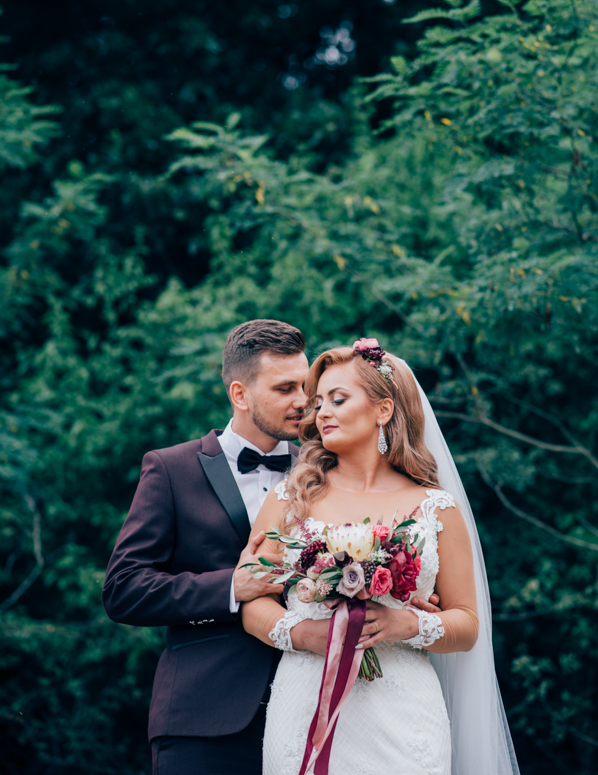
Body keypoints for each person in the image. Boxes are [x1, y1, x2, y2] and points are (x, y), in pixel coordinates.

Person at [242, 341, 520, 775]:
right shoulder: (290, 498)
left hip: (404, 713)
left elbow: (467, 624)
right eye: (319, 403)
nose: (321, 412)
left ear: (383, 409)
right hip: (305, 703)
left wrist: (406, 624)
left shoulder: (435, 508)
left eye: (337, 399)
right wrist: (304, 633)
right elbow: (252, 603)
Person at [102, 319, 310, 775]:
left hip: (311, 715)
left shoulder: (323, 474)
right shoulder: (170, 469)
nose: (302, 401)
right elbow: (123, 589)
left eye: (305, 386)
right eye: (285, 388)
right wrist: (231, 587)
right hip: (203, 721)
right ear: (240, 394)